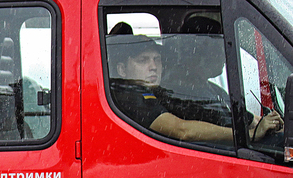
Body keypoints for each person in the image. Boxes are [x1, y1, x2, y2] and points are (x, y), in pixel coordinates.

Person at [107, 29, 283, 143]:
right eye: (143, 60)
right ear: (122, 69)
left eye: (157, 59)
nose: (153, 66)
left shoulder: (204, 90)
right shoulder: (130, 95)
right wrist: (248, 136)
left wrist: (270, 125)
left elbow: (251, 120)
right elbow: (182, 131)